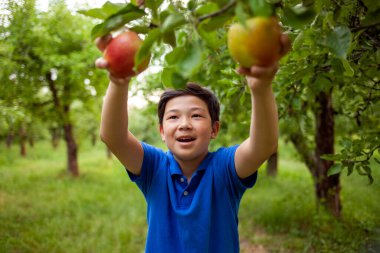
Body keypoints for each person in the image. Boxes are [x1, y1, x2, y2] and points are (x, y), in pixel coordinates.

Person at [95, 33, 290, 253]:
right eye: (173, 117)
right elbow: (113, 137)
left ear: (214, 129)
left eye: (196, 116)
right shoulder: (153, 168)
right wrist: (118, 82)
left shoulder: (225, 169)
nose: (185, 124)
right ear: (162, 131)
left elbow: (263, 145)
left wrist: (261, 88)